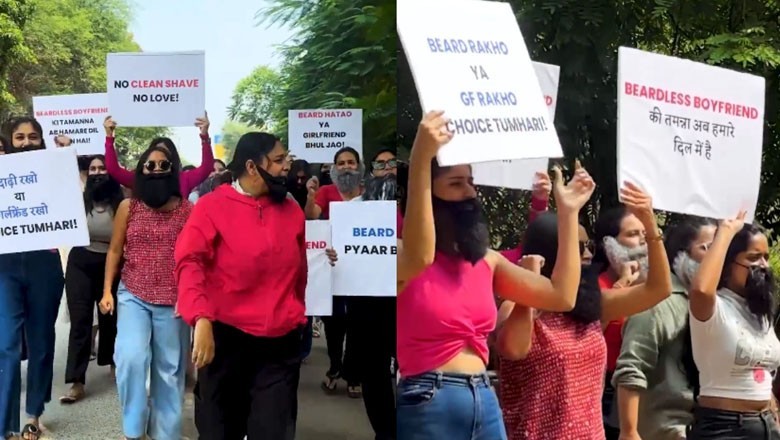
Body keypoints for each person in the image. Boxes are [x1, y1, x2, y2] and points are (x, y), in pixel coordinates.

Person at [396, 111, 593, 439]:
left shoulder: (487, 262)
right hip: (427, 399)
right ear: (428, 194)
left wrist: (569, 213)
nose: (470, 193)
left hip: (485, 397)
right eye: (456, 183)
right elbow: (420, 256)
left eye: (471, 182)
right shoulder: (401, 256)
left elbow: (562, 295)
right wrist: (421, 158)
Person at [496, 181, 672, 439]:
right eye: (579, 248)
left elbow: (658, 289)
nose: (589, 254)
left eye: (589, 245)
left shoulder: (590, 305)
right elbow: (513, 349)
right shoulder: (515, 305)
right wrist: (529, 286)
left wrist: (649, 223)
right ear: (550, 252)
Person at [174, 132, 306, 440]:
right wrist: (201, 319)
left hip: (279, 344)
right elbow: (189, 263)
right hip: (224, 341)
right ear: (251, 166)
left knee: (273, 430)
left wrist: (298, 315)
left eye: (285, 158)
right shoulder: (211, 207)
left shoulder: (292, 210)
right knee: (218, 429)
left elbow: (300, 272)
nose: (286, 166)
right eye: (277, 160)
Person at [100, 144, 192, 440]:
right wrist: (107, 292)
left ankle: (165, 433)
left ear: (172, 170)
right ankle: (133, 429)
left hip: (174, 301)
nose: (155, 170)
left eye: (162, 165)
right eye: (148, 165)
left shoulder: (188, 210)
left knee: (169, 371)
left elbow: (196, 258)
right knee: (130, 358)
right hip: (133, 294)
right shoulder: (129, 207)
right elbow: (115, 250)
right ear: (140, 170)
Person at [613, 216, 716, 440]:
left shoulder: (719, 303)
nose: (716, 256)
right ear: (680, 255)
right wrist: (629, 432)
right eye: (707, 247)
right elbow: (631, 368)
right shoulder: (657, 304)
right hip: (666, 431)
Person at [685, 215, 780, 439]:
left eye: (765, 257)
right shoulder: (712, 308)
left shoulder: (760, 312)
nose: (763, 265)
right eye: (753, 258)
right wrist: (726, 230)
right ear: (728, 265)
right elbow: (700, 290)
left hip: (766, 425)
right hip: (724, 428)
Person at [0, 117, 65, 440]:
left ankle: (33, 415)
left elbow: (72, 212)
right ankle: (5, 423)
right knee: (6, 346)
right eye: (19, 137)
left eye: (33, 136)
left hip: (44, 265)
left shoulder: (56, 170)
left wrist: (66, 161)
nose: (26, 142)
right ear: (8, 141)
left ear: (42, 139)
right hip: (5, 267)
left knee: (40, 343)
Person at [60, 155, 125, 404]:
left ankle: (112, 363)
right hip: (80, 263)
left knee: (111, 317)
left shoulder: (122, 203)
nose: (98, 172)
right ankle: (76, 381)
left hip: (111, 264)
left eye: (102, 168)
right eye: (93, 169)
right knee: (81, 321)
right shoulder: (78, 200)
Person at [305, 147, 364, 396]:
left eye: (351, 162)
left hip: (364, 272)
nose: (346, 166)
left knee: (358, 324)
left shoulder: (370, 194)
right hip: (333, 268)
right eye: (341, 163)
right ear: (334, 167)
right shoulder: (327, 192)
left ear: (358, 166)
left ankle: (354, 375)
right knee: (335, 324)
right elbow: (311, 216)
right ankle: (334, 367)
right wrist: (310, 195)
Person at [593, 205, 652, 437]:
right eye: (632, 234)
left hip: (648, 389)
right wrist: (623, 285)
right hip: (607, 390)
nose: (641, 243)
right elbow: (588, 335)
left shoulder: (654, 289)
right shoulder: (595, 286)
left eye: (644, 236)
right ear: (609, 243)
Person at [103, 113, 214, 196]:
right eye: (156, 152)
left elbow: (207, 168)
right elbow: (113, 170)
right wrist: (109, 136)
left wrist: (204, 135)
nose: (159, 157)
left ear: (172, 159)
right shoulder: (139, 178)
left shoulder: (183, 179)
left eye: (165, 155)